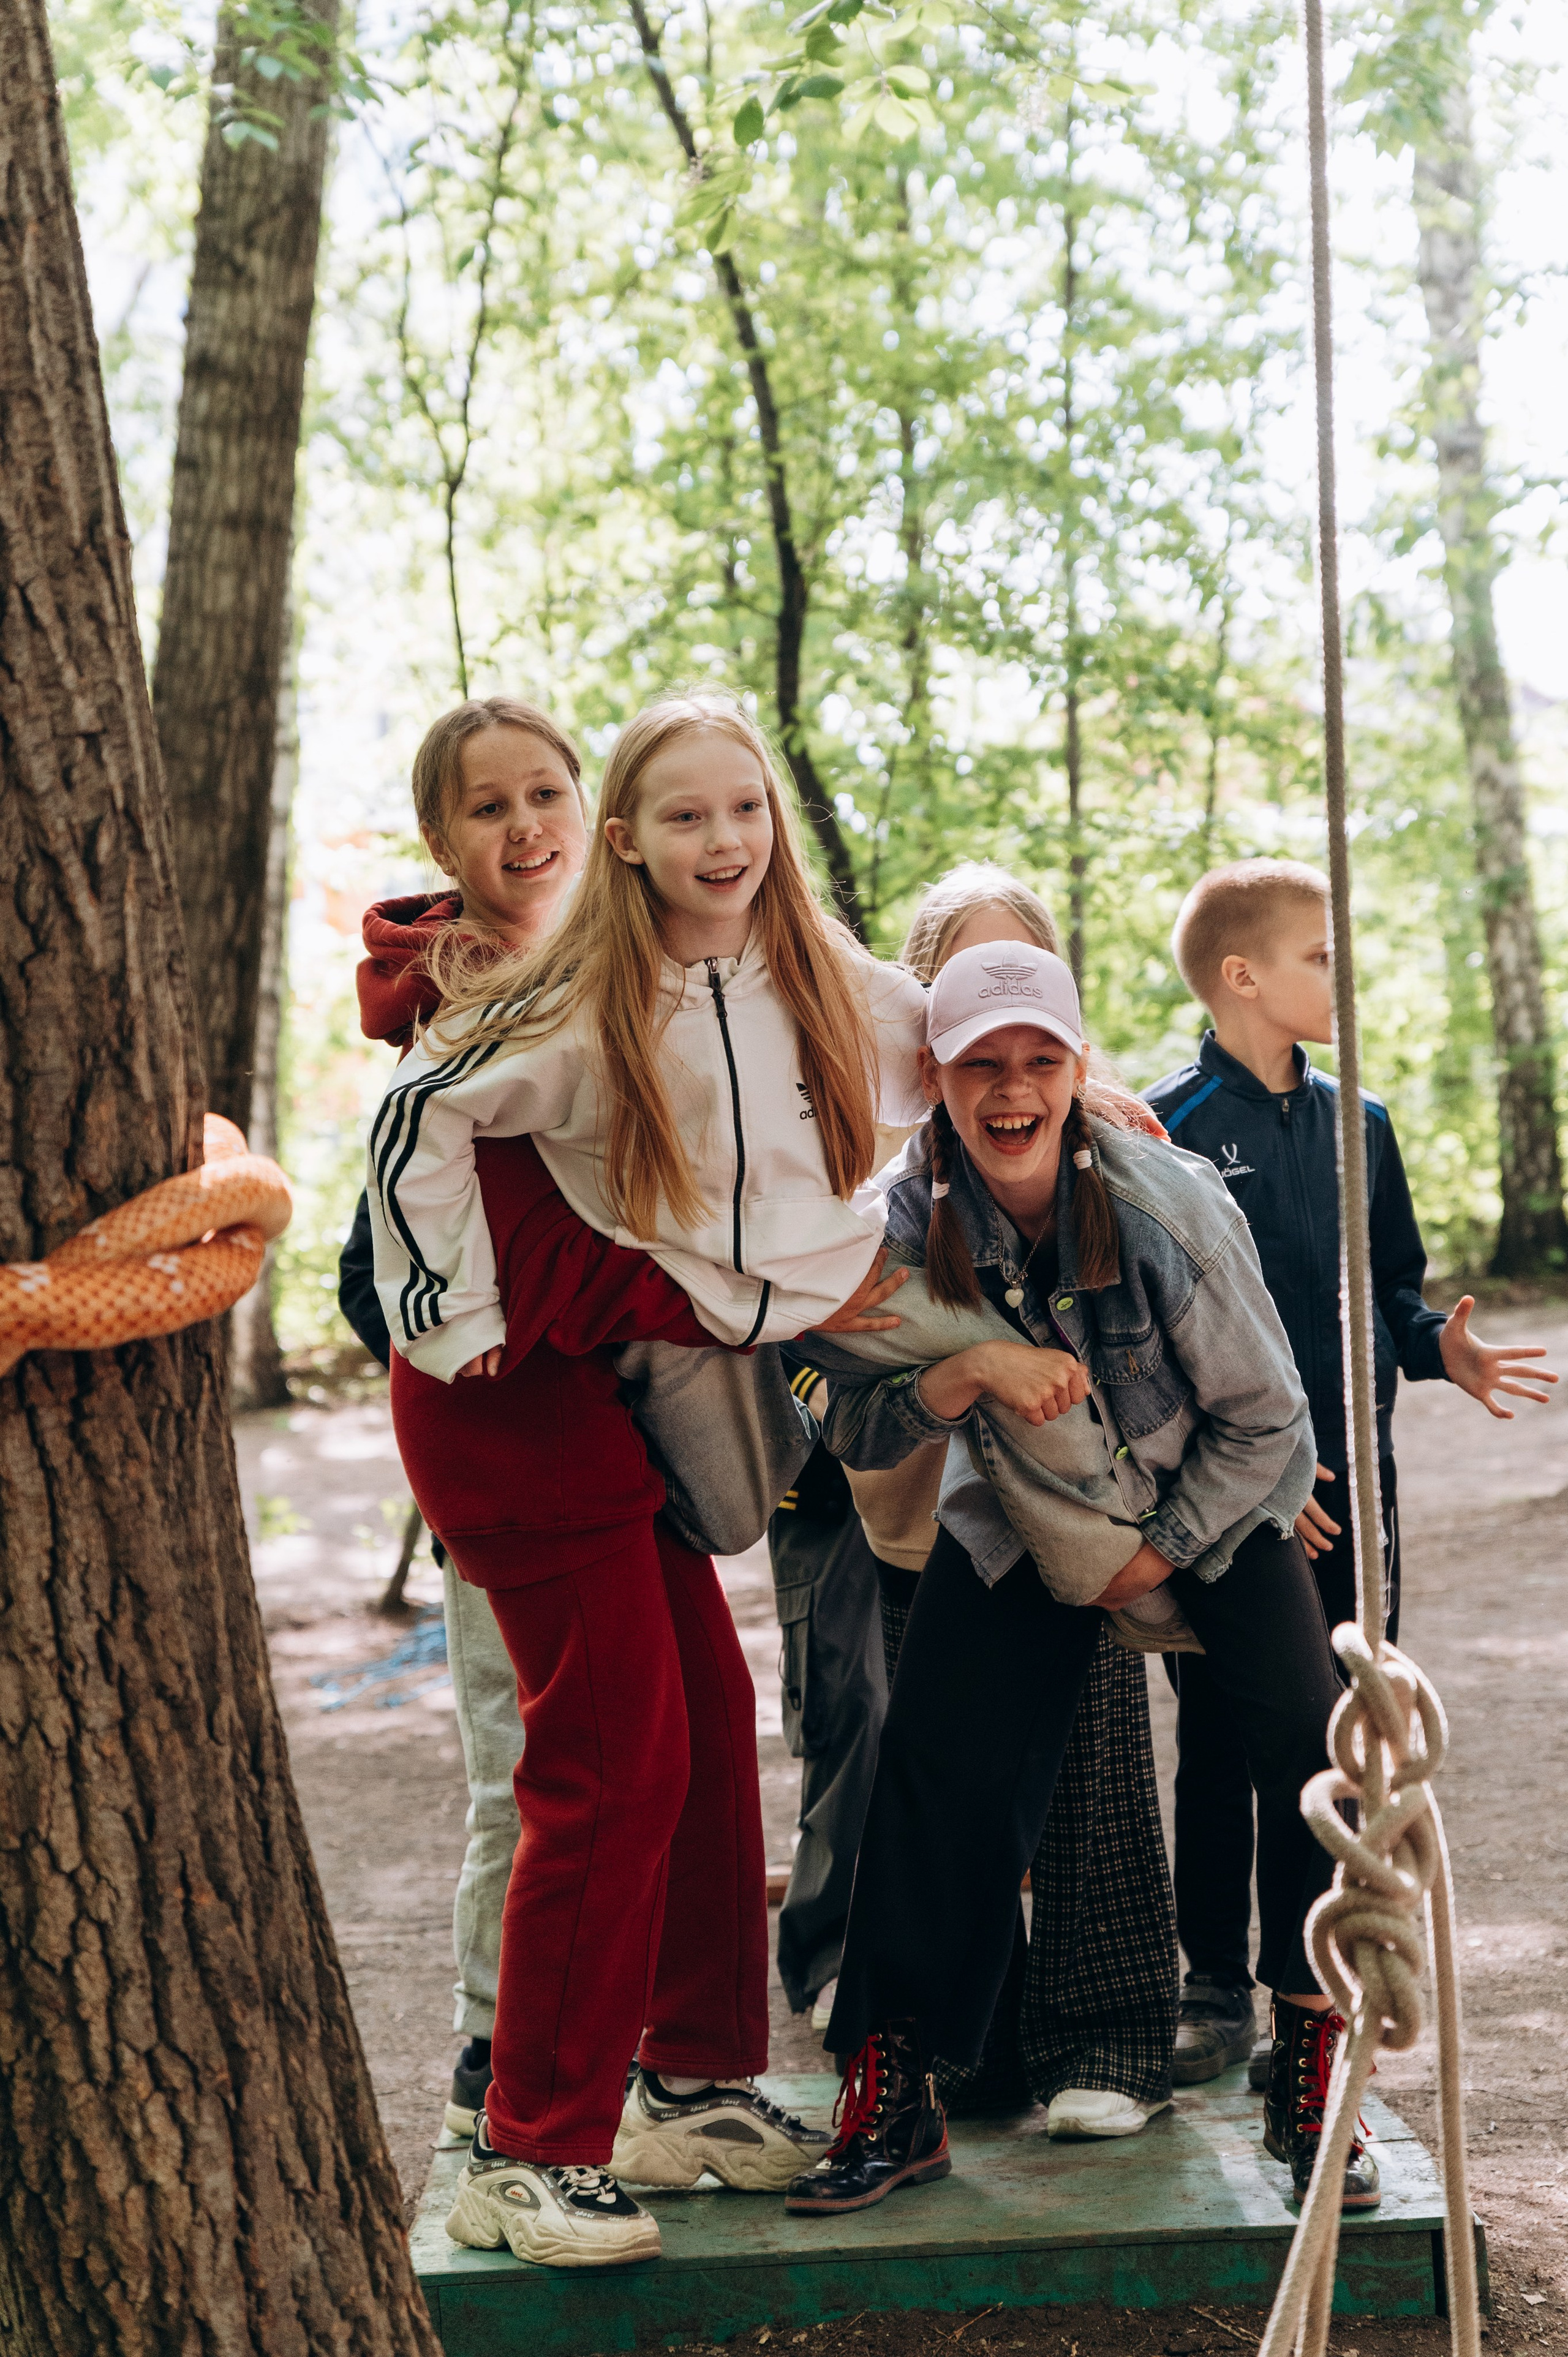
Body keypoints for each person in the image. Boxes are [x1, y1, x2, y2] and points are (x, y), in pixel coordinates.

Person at [368, 695, 925, 2266]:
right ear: (629, 839)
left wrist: (1077, 1082)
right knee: (603, 1766)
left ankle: (683, 2085)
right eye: (680, 817)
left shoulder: (766, 967)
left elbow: (925, 1030)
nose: (720, 842)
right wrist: (447, 1314)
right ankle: (525, 2143)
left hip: (610, 1409)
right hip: (506, 1409)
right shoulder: (565, 989)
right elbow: (418, 1119)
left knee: (696, 1731)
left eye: (740, 812)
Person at [787, 940, 1386, 2219]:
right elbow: (849, 1424)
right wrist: (943, 1381)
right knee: (934, 1762)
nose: (1010, 1090)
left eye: (1037, 1061)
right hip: (1015, 1514)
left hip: (1211, 1501)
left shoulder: (1162, 1201)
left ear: (1074, 1070)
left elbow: (1268, 1421)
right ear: (936, 1080)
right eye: (978, 1065)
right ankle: (899, 2079)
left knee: (1297, 1745)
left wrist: (1151, 1557)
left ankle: (1307, 2043)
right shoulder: (896, 1223)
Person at [1145, 858, 1558, 2099]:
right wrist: (1248, 1479)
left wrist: (1437, 1344)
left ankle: (1305, 1997)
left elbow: (1385, 1295)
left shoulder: (1356, 1123)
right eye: (1322, 954)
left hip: (1356, 1499)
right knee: (1222, 1739)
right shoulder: (1163, 1130)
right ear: (1241, 976)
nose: (1345, 971)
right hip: (1236, 1504)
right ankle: (1212, 1981)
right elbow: (1156, 1343)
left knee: (1338, 1743)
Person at [837, 861, 1180, 2135]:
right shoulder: (876, 1148)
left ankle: (1104, 2033)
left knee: (1090, 1765)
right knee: (942, 1784)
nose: (1006, 1060)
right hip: (919, 1508)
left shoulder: (1092, 1134)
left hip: (1065, 1503)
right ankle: (961, 2044)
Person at [337, 694, 590, 2144]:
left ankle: (595, 2029)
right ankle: (489, 2037)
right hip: (501, 1426)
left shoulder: (620, 967)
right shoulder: (445, 1010)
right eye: (488, 807)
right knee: (523, 1751)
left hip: (624, 1422)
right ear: (443, 837)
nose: (523, 826)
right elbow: (389, 1268)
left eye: (544, 792)